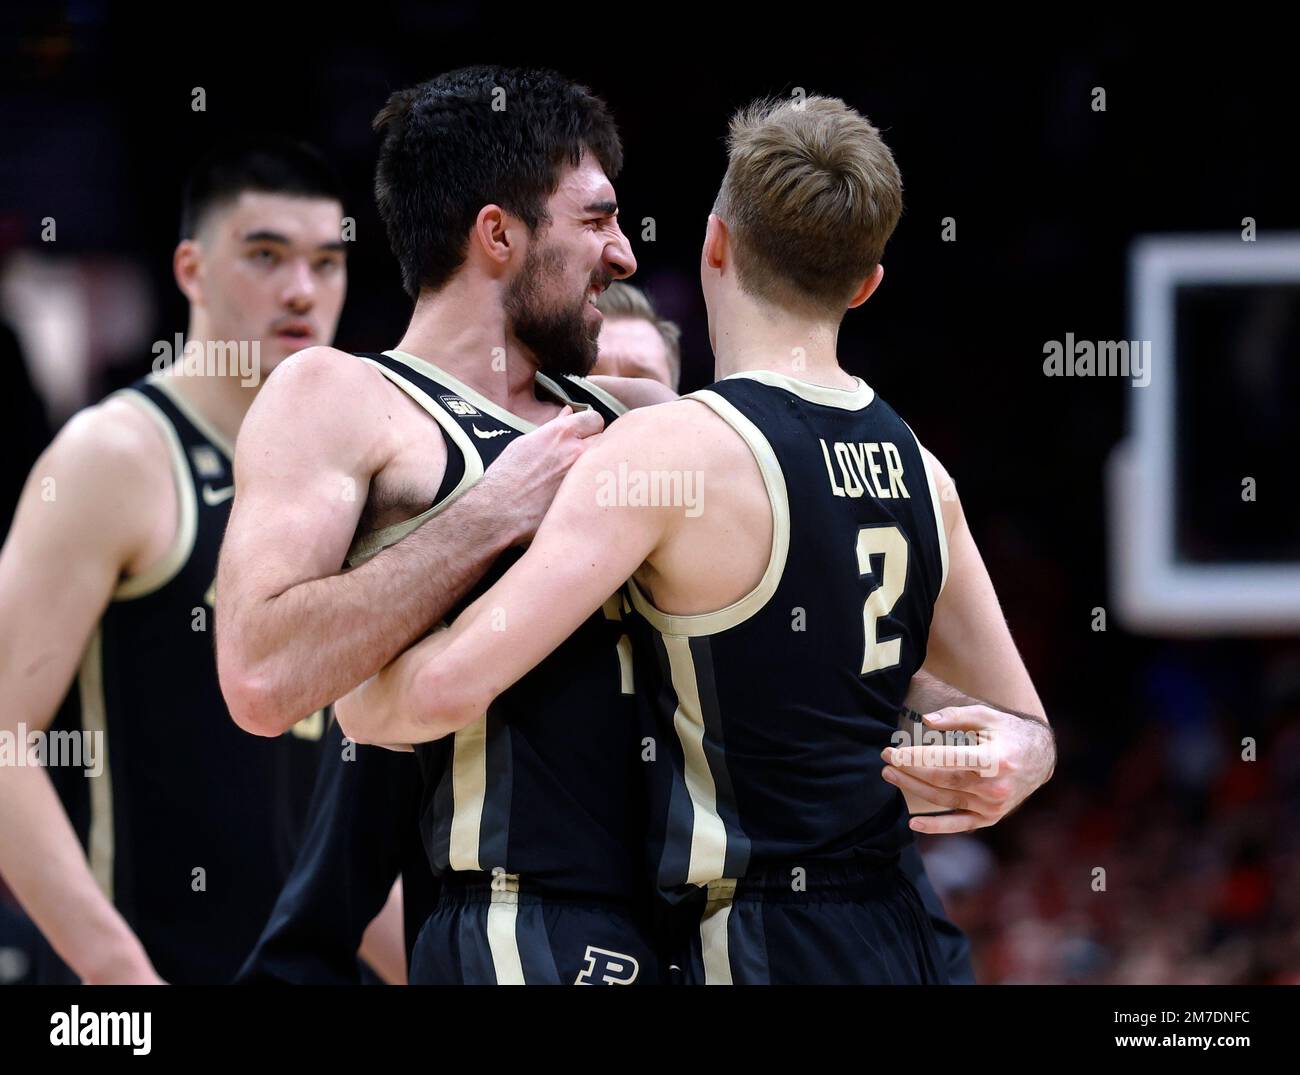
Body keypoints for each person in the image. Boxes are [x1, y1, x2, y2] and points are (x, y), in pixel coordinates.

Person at [337, 95, 1056, 984]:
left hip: (756, 935)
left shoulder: (669, 452)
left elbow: (446, 687)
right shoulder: (925, 470)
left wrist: (355, 698)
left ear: (716, 243)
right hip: (903, 928)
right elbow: (1026, 725)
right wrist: (1018, 758)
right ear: (867, 283)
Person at [0, 137, 349, 983]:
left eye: (326, 262)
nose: (301, 289)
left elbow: (317, 808)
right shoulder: (115, 455)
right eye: (265, 256)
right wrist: (122, 977)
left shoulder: (338, 484)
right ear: (190, 269)